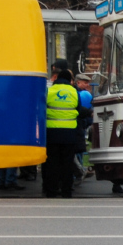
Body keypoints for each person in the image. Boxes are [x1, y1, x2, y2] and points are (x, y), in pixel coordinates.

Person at [41, 69, 89, 198]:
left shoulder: (49, 91)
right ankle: (66, 191)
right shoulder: (74, 91)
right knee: (67, 165)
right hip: (69, 134)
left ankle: (51, 191)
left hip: (51, 133)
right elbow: (79, 110)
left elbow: (42, 108)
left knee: (52, 164)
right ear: (70, 80)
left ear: (57, 78)